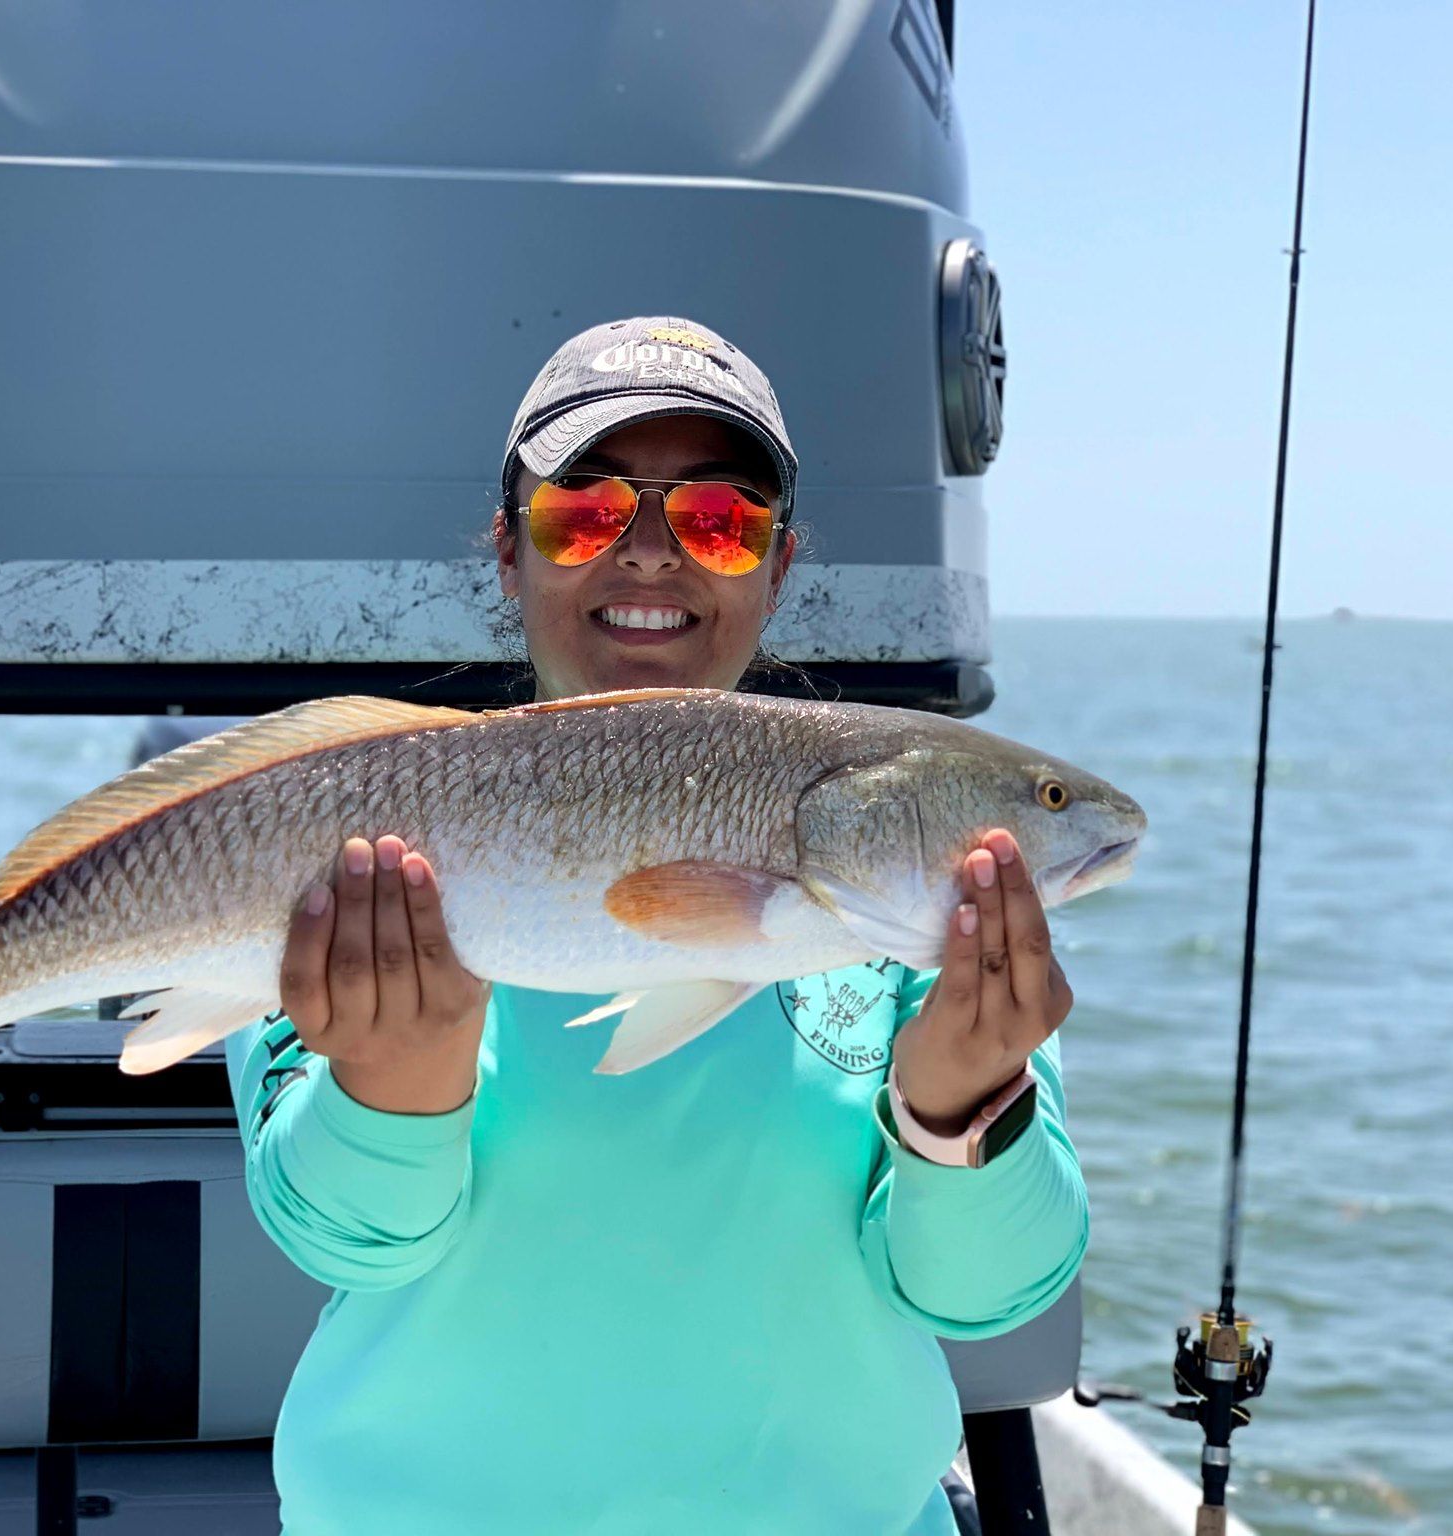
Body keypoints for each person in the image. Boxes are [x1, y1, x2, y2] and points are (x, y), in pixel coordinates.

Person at [223, 316, 1087, 1536]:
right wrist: (389, 1086)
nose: (646, 557)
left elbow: (985, 1296)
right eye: (582, 512)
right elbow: (348, 1243)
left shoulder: (922, 913)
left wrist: (959, 1115)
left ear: (775, 569)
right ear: (509, 553)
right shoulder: (359, 836)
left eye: (717, 522)